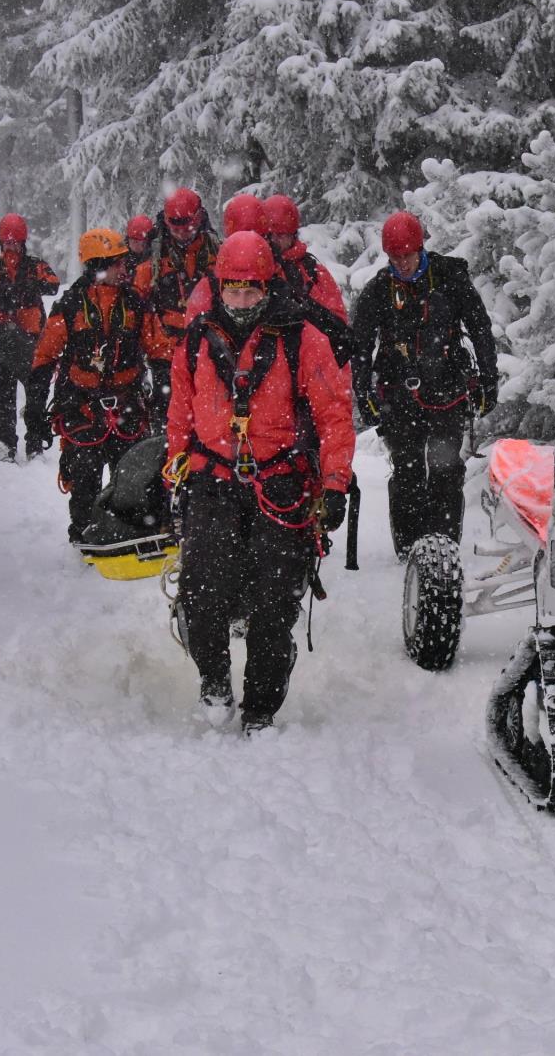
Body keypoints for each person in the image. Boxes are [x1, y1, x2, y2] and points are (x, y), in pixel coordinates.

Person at [167, 231, 354, 733]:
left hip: (281, 487)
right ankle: (214, 681)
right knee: (202, 592)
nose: (243, 302)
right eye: (234, 291)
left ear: (268, 287)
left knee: (274, 603)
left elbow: (335, 416)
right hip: (213, 482)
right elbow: (179, 419)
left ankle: (261, 708)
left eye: (252, 291)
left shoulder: (302, 339)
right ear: (220, 288)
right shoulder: (196, 344)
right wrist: (175, 475)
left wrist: (335, 485)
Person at [352, 210, 498, 558]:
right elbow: (359, 347)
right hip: (398, 395)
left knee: (446, 468)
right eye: (395, 257)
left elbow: (480, 329)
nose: (402, 263)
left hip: (447, 390)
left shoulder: (450, 279)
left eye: (407, 255)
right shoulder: (378, 291)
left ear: (421, 248)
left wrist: (488, 382)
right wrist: (363, 393)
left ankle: (444, 546)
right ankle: (409, 550)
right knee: (408, 470)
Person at [32, 228, 151, 544]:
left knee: (132, 478)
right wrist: (34, 412)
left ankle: (130, 534)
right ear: (97, 265)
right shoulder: (71, 306)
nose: (124, 269)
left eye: (123, 262)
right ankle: (84, 537)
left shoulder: (135, 304)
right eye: (116, 263)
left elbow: (159, 348)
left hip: (127, 406)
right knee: (84, 481)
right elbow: (44, 357)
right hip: (81, 409)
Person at [0, 213, 61, 461]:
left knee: (36, 395)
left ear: (23, 242)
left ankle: (34, 444)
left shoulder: (34, 266)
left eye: (15, 242)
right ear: (0, 242)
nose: (11, 247)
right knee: (3, 396)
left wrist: (28, 288)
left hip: (32, 342)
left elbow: (53, 283)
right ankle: (6, 443)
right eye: (7, 242)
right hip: (3, 342)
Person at [135, 188, 218, 432]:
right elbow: (136, 307)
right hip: (166, 356)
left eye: (187, 226)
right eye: (176, 228)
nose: (182, 233)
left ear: (200, 218)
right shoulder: (153, 262)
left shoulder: (216, 254)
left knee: (209, 418)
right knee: (169, 423)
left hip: (209, 351)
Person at [263, 193, 354, 368]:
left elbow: (337, 323)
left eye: (281, 235)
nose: (274, 241)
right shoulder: (257, 268)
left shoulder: (313, 272)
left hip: (308, 362)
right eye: (270, 235)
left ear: (293, 235)